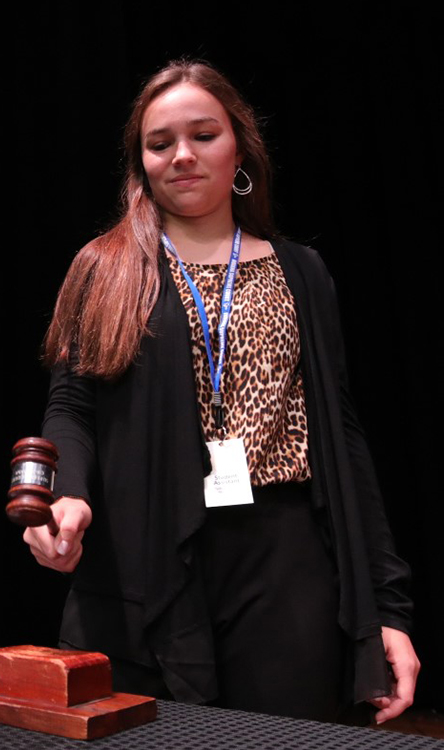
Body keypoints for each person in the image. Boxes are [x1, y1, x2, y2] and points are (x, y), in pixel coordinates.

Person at [23, 60, 420, 723]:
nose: (182, 155)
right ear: (140, 161)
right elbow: (71, 406)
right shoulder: (107, 268)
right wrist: (67, 500)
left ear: (239, 144)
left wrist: (388, 609)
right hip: (142, 554)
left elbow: (344, 441)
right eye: (159, 143)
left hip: (282, 564)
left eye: (203, 134)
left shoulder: (302, 273)